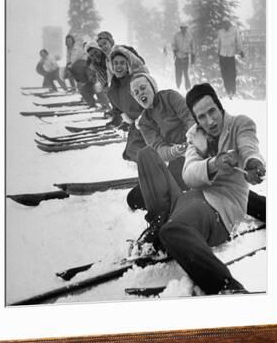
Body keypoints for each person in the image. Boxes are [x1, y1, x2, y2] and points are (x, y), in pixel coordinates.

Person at [136, 82, 266, 294]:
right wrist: (213, 163)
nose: (210, 121)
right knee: (146, 155)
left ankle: (226, 286)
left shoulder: (240, 124)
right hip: (189, 198)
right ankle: (158, 223)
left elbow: (248, 147)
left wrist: (252, 163)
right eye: (201, 117)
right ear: (195, 119)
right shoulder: (195, 136)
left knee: (173, 231)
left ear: (219, 106)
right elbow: (188, 175)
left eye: (212, 111)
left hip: (218, 209)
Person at [127, 73, 195, 210]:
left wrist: (191, 141)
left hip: (198, 146)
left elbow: (189, 118)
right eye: (136, 92)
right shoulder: (145, 122)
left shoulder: (170, 97)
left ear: (152, 87)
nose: (141, 93)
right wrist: (173, 151)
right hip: (178, 158)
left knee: (202, 178)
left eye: (143, 88)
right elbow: (158, 148)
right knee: (136, 197)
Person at [107, 46, 148, 162]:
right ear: (111, 66)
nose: (118, 66)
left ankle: (156, 170)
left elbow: (150, 103)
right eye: (115, 63)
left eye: (122, 63)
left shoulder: (136, 82)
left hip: (149, 124)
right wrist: (117, 118)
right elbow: (117, 108)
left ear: (128, 66)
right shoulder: (112, 90)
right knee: (130, 153)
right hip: (136, 126)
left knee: (136, 151)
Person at [217, 19, 245, 98]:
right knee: (224, 74)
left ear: (229, 25)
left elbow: (238, 41)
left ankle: (232, 90)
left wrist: (241, 51)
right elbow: (218, 43)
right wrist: (218, 52)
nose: (225, 26)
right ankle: (228, 91)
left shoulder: (234, 31)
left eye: (226, 24)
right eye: (224, 24)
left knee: (232, 74)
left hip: (230, 55)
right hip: (222, 55)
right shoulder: (220, 32)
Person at [171, 24, 195, 91]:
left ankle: (188, 88)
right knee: (178, 73)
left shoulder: (189, 36)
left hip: (185, 57)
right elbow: (173, 44)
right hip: (178, 57)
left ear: (186, 28)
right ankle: (178, 87)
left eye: (184, 28)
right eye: (182, 28)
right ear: (180, 28)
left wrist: (193, 55)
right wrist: (175, 50)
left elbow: (193, 46)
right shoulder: (177, 35)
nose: (183, 29)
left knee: (186, 73)